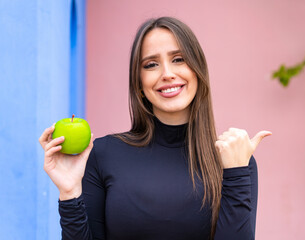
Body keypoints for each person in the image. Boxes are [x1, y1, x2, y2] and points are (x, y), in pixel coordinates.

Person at [39, 17, 271, 240]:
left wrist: (237, 173)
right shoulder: (102, 154)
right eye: (151, 64)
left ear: (198, 71)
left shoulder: (234, 160)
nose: (167, 74)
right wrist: (69, 193)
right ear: (139, 84)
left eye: (178, 59)